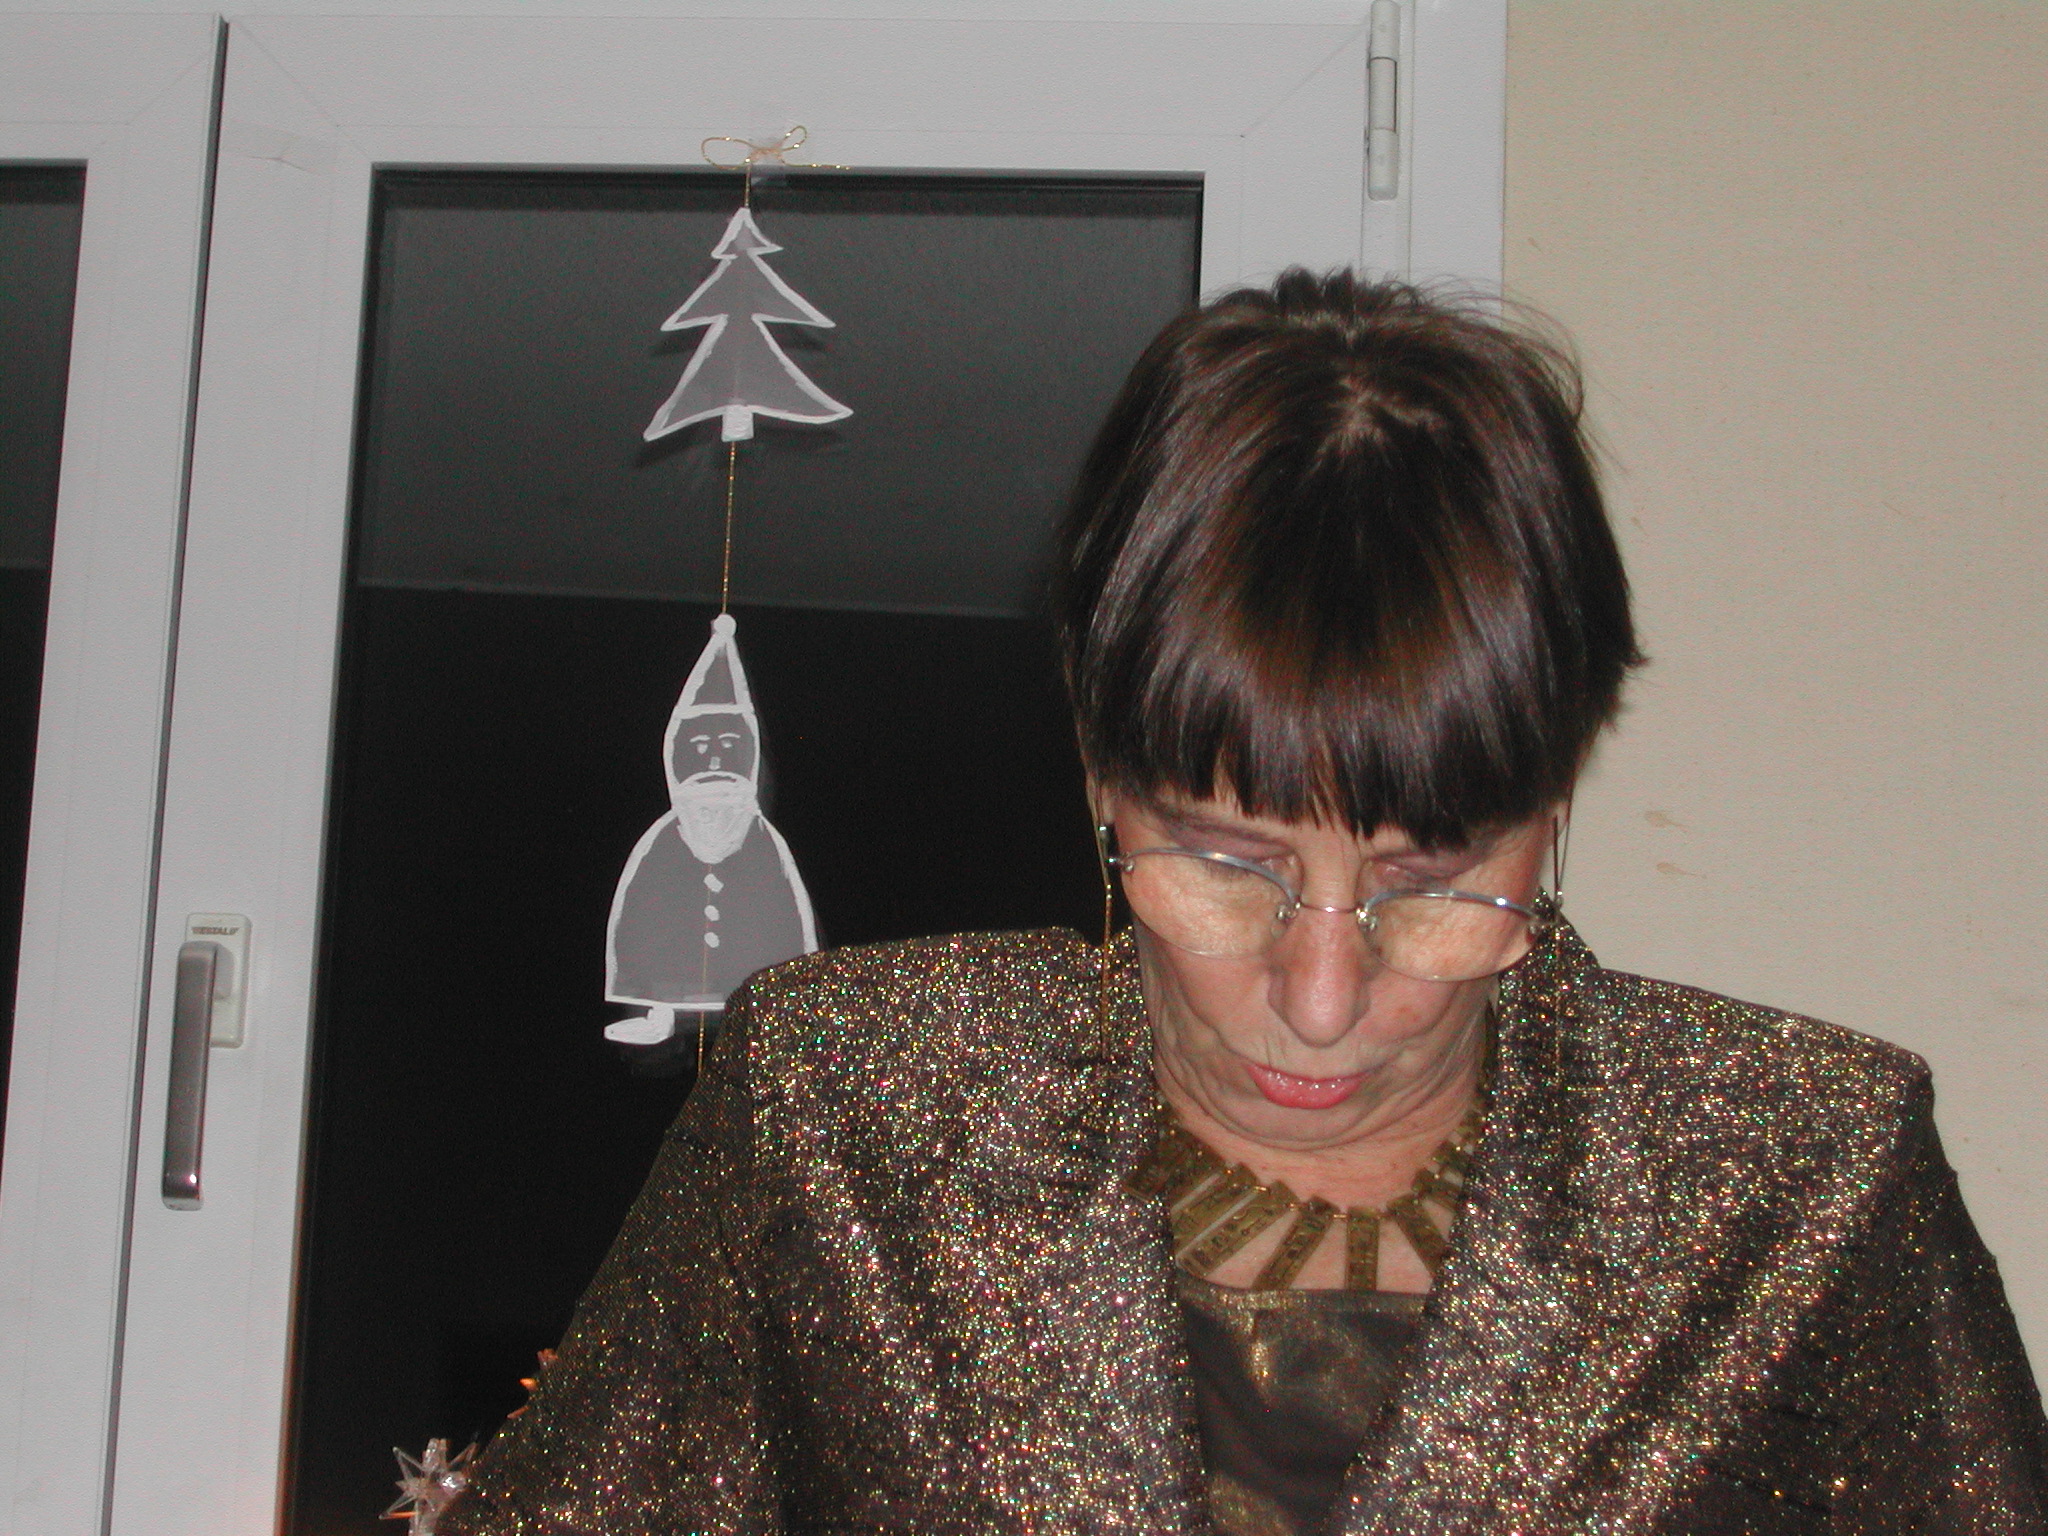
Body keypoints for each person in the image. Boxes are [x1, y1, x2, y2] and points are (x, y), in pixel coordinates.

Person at [437, 272, 2047, 1535]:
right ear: (1102, 776)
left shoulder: (1800, 1180)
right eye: (1225, 868)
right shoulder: (849, 1109)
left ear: (1553, 804)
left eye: (1432, 886)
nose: (1324, 1001)